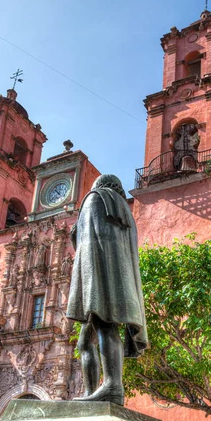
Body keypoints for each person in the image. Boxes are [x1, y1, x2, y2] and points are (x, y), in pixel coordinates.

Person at [66, 174, 148, 405]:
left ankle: (112, 386)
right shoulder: (125, 212)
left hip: (99, 276)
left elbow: (89, 243)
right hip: (116, 278)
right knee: (84, 340)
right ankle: (92, 393)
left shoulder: (95, 198)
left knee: (105, 325)